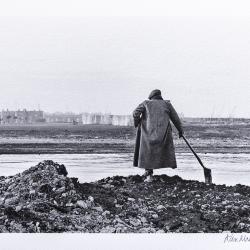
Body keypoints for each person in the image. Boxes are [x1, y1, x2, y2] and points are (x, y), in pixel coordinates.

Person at [133, 89, 184, 182]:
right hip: (163, 133)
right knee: (161, 151)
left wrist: (137, 123)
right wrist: (180, 131)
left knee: (147, 150)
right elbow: (175, 118)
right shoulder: (167, 104)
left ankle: (148, 171)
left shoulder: (145, 103)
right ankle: (149, 171)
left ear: (151, 97)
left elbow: (135, 113)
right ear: (160, 96)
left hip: (147, 132)